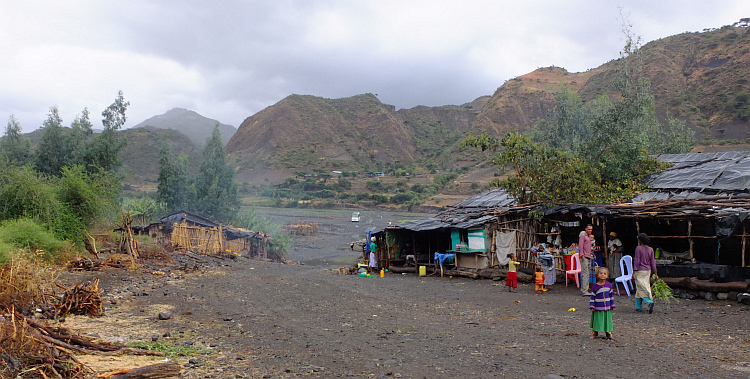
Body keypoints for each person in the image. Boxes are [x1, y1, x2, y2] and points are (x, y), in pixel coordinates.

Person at [633, 233, 657, 313]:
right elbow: (653, 262)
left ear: (639, 240)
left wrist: (634, 271)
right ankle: (638, 306)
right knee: (642, 286)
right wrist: (655, 272)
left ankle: (649, 302)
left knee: (640, 287)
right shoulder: (650, 249)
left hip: (640, 270)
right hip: (648, 271)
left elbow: (637, 261)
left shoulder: (638, 248)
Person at [589, 267, 616, 340]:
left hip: (607, 307)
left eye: (605, 274)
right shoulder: (595, 286)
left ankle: (608, 333)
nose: (602, 275)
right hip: (598, 307)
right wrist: (592, 306)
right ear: (597, 275)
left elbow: (611, 296)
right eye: (601, 273)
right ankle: (595, 333)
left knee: (607, 321)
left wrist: (612, 305)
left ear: (607, 276)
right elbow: (592, 296)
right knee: (597, 320)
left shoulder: (609, 285)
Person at [578, 224, 594, 296]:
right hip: (584, 257)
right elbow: (580, 245)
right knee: (585, 273)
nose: (590, 230)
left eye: (591, 229)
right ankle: (584, 291)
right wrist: (582, 255)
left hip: (588, 256)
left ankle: (585, 289)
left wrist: (592, 254)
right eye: (589, 229)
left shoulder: (588, 236)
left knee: (587, 274)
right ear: (585, 229)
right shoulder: (583, 235)